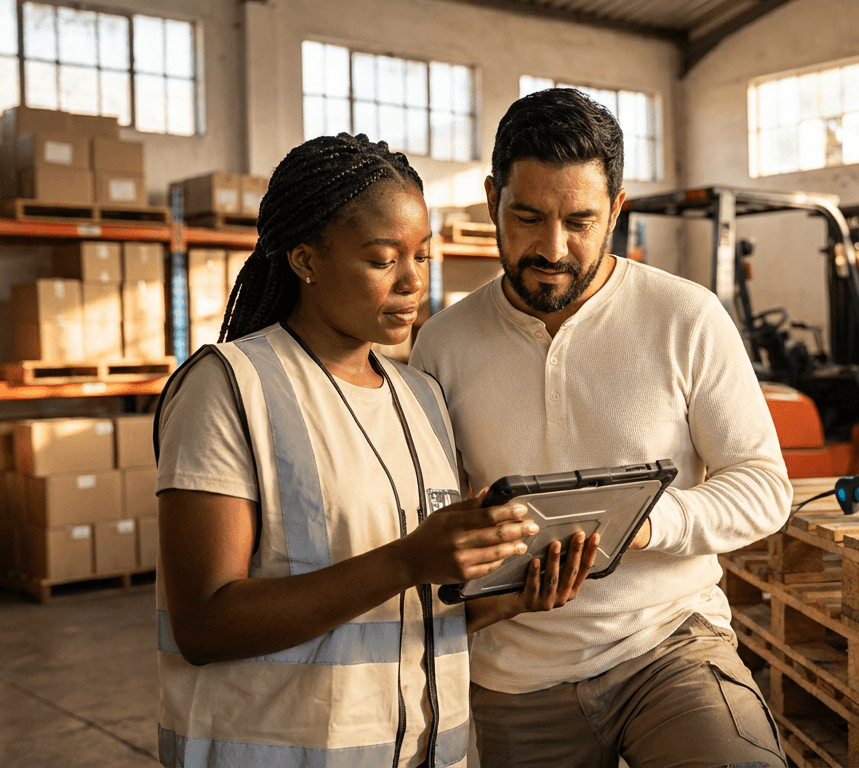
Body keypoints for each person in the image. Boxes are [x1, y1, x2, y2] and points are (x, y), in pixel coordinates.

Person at [153, 133, 596, 768]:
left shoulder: (422, 399)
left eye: (421, 255)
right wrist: (408, 561)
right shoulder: (229, 386)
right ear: (306, 259)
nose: (413, 282)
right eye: (383, 260)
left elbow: (406, 614)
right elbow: (204, 623)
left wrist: (508, 596)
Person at [410, 89, 792, 767]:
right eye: (527, 217)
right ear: (492, 195)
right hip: (515, 673)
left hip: (669, 643)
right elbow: (430, 519)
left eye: (580, 221)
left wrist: (643, 523)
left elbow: (764, 487)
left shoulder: (686, 318)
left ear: (617, 210)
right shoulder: (442, 345)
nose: (552, 249)